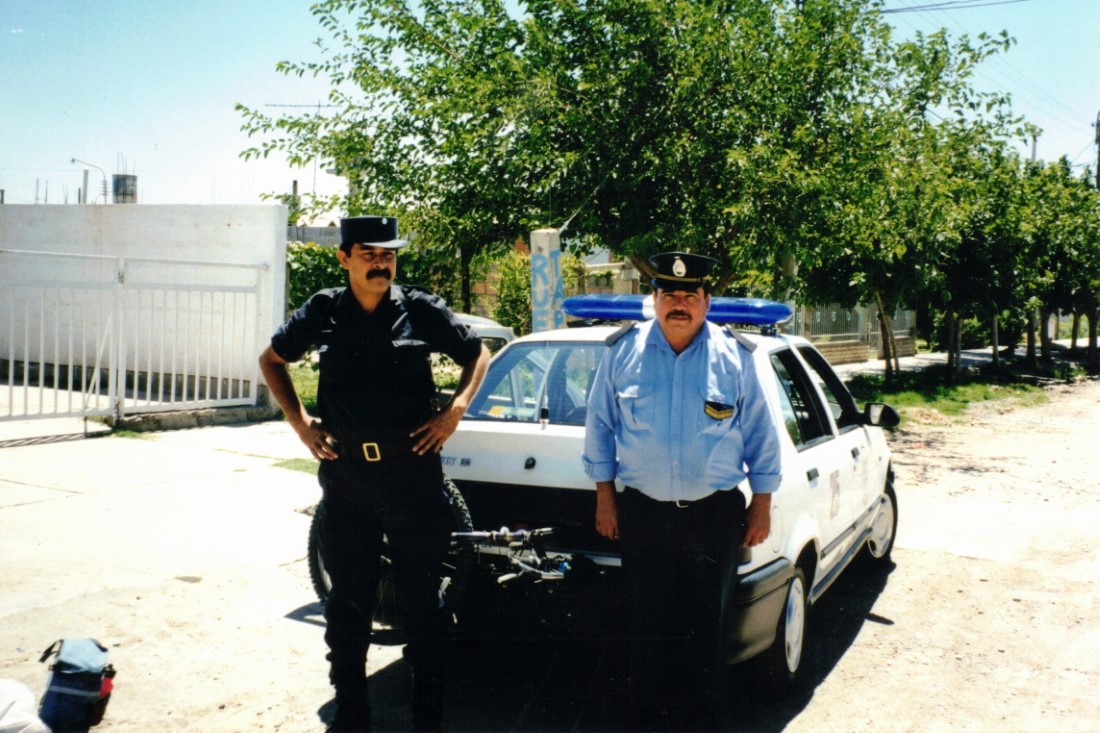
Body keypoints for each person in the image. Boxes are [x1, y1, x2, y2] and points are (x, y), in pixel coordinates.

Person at [259, 215, 490, 733]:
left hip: (413, 478)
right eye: (369, 253)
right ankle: (352, 715)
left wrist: (455, 412)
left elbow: (478, 353)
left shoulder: (420, 310)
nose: (381, 262)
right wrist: (300, 425)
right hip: (348, 483)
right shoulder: (322, 311)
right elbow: (271, 360)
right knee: (347, 607)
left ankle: (427, 718)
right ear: (344, 258)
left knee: (422, 606)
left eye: (388, 254)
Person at [582, 251, 783, 731]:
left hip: (712, 517)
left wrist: (762, 504)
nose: (678, 303)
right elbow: (600, 427)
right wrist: (605, 498)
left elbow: (760, 433)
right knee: (644, 630)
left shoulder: (735, 356)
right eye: (668, 293)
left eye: (689, 295)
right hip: (644, 514)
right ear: (652, 299)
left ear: (706, 301)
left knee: (705, 634)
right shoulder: (621, 353)